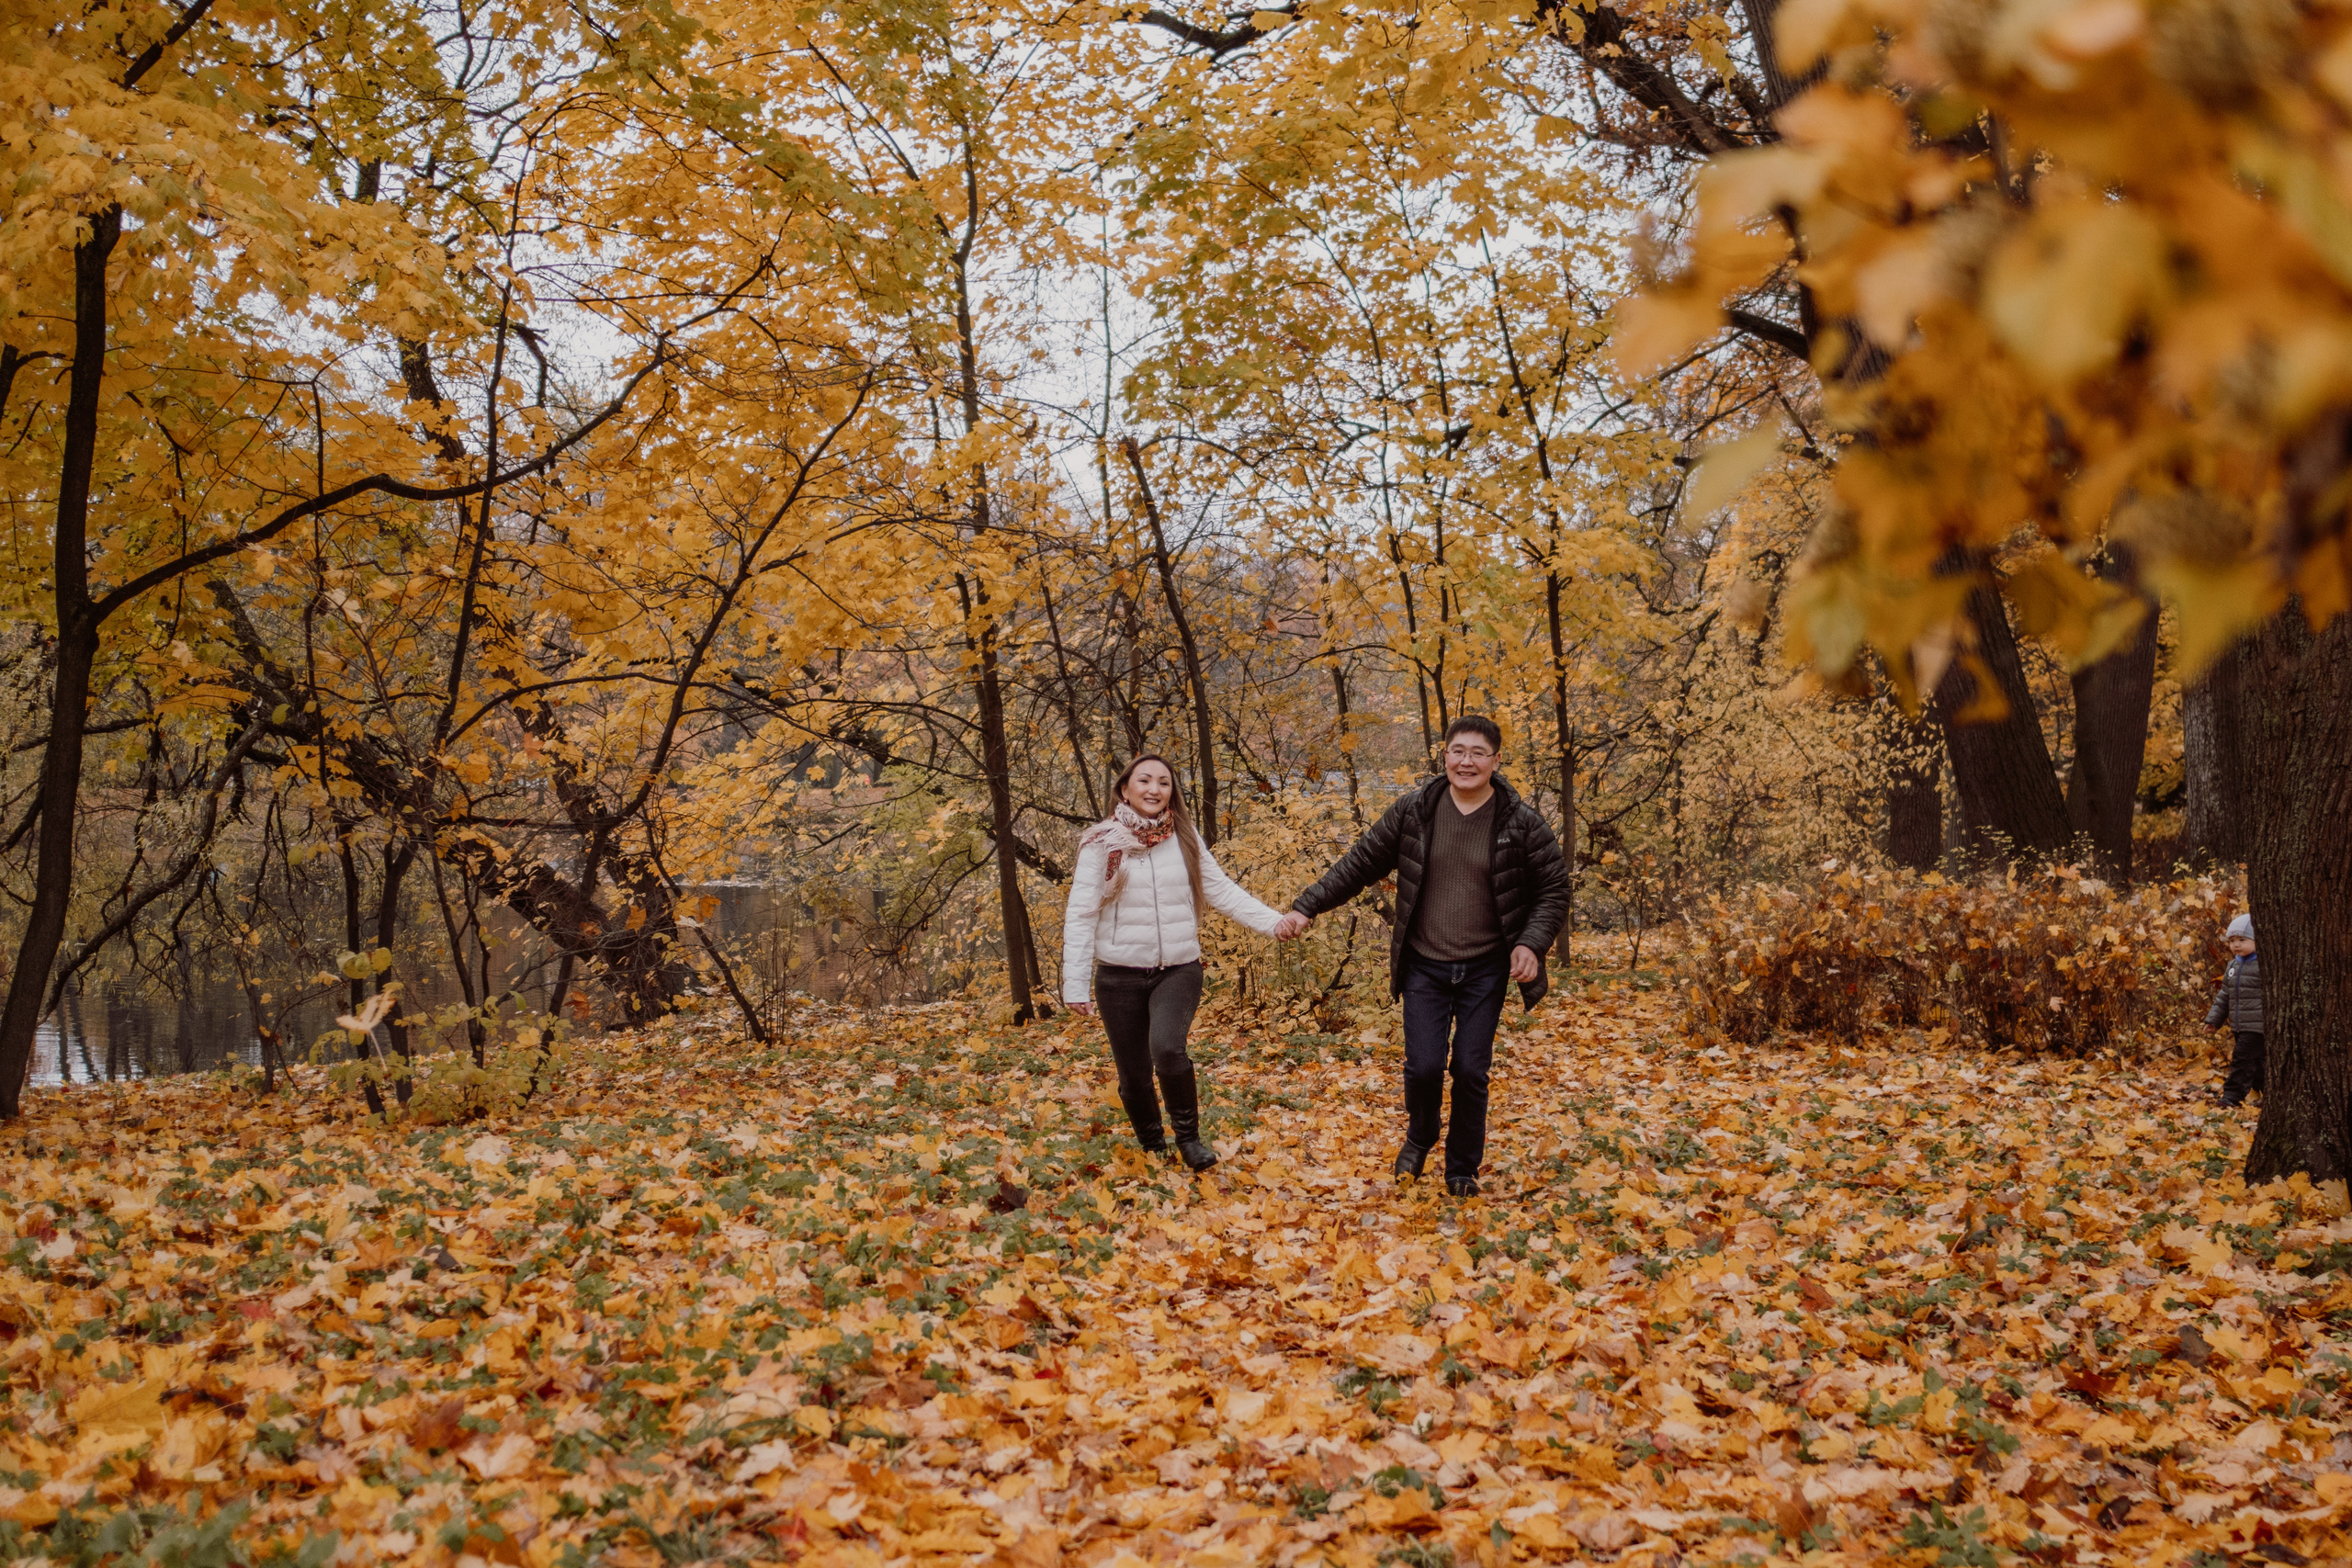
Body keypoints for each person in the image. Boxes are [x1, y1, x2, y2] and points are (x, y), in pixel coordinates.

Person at [1275, 716, 1569, 1197]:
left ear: (1496, 761)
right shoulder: (1415, 811)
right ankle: (1421, 1133)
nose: (1466, 761)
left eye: (1478, 752)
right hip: (1425, 964)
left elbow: (1553, 889)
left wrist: (1530, 943)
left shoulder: (1520, 822)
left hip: (1486, 967)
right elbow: (1360, 862)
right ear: (1444, 756)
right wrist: (1307, 907)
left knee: (1471, 1070)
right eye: (1458, 750)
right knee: (1424, 1067)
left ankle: (1462, 1168)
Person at [1063, 755, 1286, 1170]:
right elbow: (1081, 912)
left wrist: (1275, 923)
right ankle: (1153, 1145)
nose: (1154, 789)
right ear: (1125, 788)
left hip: (1179, 968)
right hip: (1118, 975)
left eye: (1163, 783)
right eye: (1144, 780)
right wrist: (1074, 984)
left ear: (1172, 792)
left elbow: (1221, 891)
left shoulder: (1184, 836)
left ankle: (1189, 1140)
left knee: (1167, 1049)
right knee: (1132, 1073)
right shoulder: (1101, 843)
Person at [2206, 912, 2262, 1108]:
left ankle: (2231, 1097)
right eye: (2232, 940)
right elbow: (2224, 996)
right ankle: (2268, 1096)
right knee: (2258, 1064)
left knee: (2242, 1060)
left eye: (2242, 940)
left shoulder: (2262, 965)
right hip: (2239, 1025)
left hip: (2257, 1025)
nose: (2236, 945)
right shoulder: (2233, 965)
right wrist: (2214, 1020)